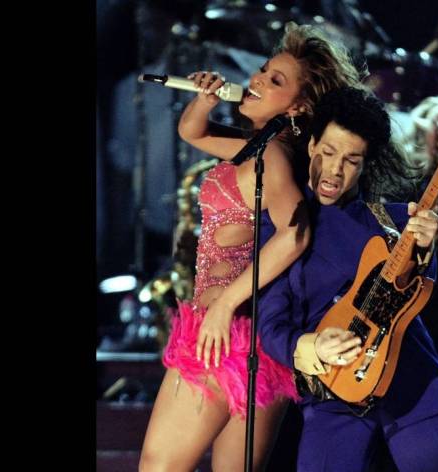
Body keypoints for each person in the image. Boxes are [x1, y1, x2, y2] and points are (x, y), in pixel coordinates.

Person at [139, 23, 366, 472]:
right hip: (258, 339)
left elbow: (295, 233)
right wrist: (204, 100)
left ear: (298, 107)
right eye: (263, 70)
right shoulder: (257, 147)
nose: (257, 80)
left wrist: (224, 305)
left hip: (222, 333)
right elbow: (193, 132)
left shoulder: (272, 157)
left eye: (275, 80)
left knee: (158, 467)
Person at [258, 86, 438, 471]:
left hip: (413, 384)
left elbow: (421, 290)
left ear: (364, 165)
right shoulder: (280, 225)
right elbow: (270, 323)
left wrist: (424, 249)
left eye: (351, 160)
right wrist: (310, 347)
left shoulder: (397, 220)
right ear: (311, 145)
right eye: (328, 152)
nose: (335, 170)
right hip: (333, 393)